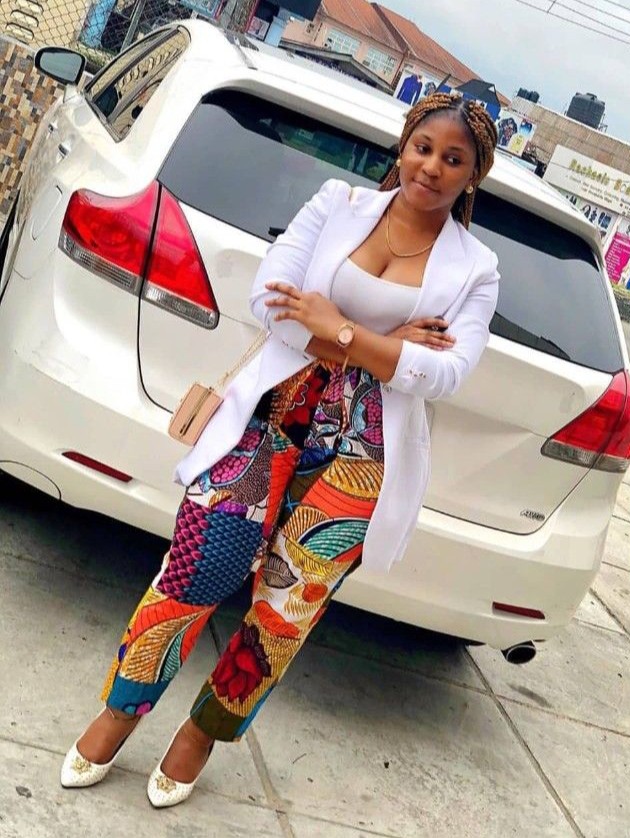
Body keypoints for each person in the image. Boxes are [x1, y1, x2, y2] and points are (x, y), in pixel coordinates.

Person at [61, 92, 500, 808]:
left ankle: (203, 733)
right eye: (424, 148)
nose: (432, 167)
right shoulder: (337, 204)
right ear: (403, 145)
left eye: (454, 159)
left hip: (361, 460)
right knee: (197, 566)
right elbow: (270, 302)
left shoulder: (476, 269)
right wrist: (386, 347)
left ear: (473, 175)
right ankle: (121, 709)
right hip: (271, 417)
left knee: (283, 610)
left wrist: (339, 327)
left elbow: (445, 374)